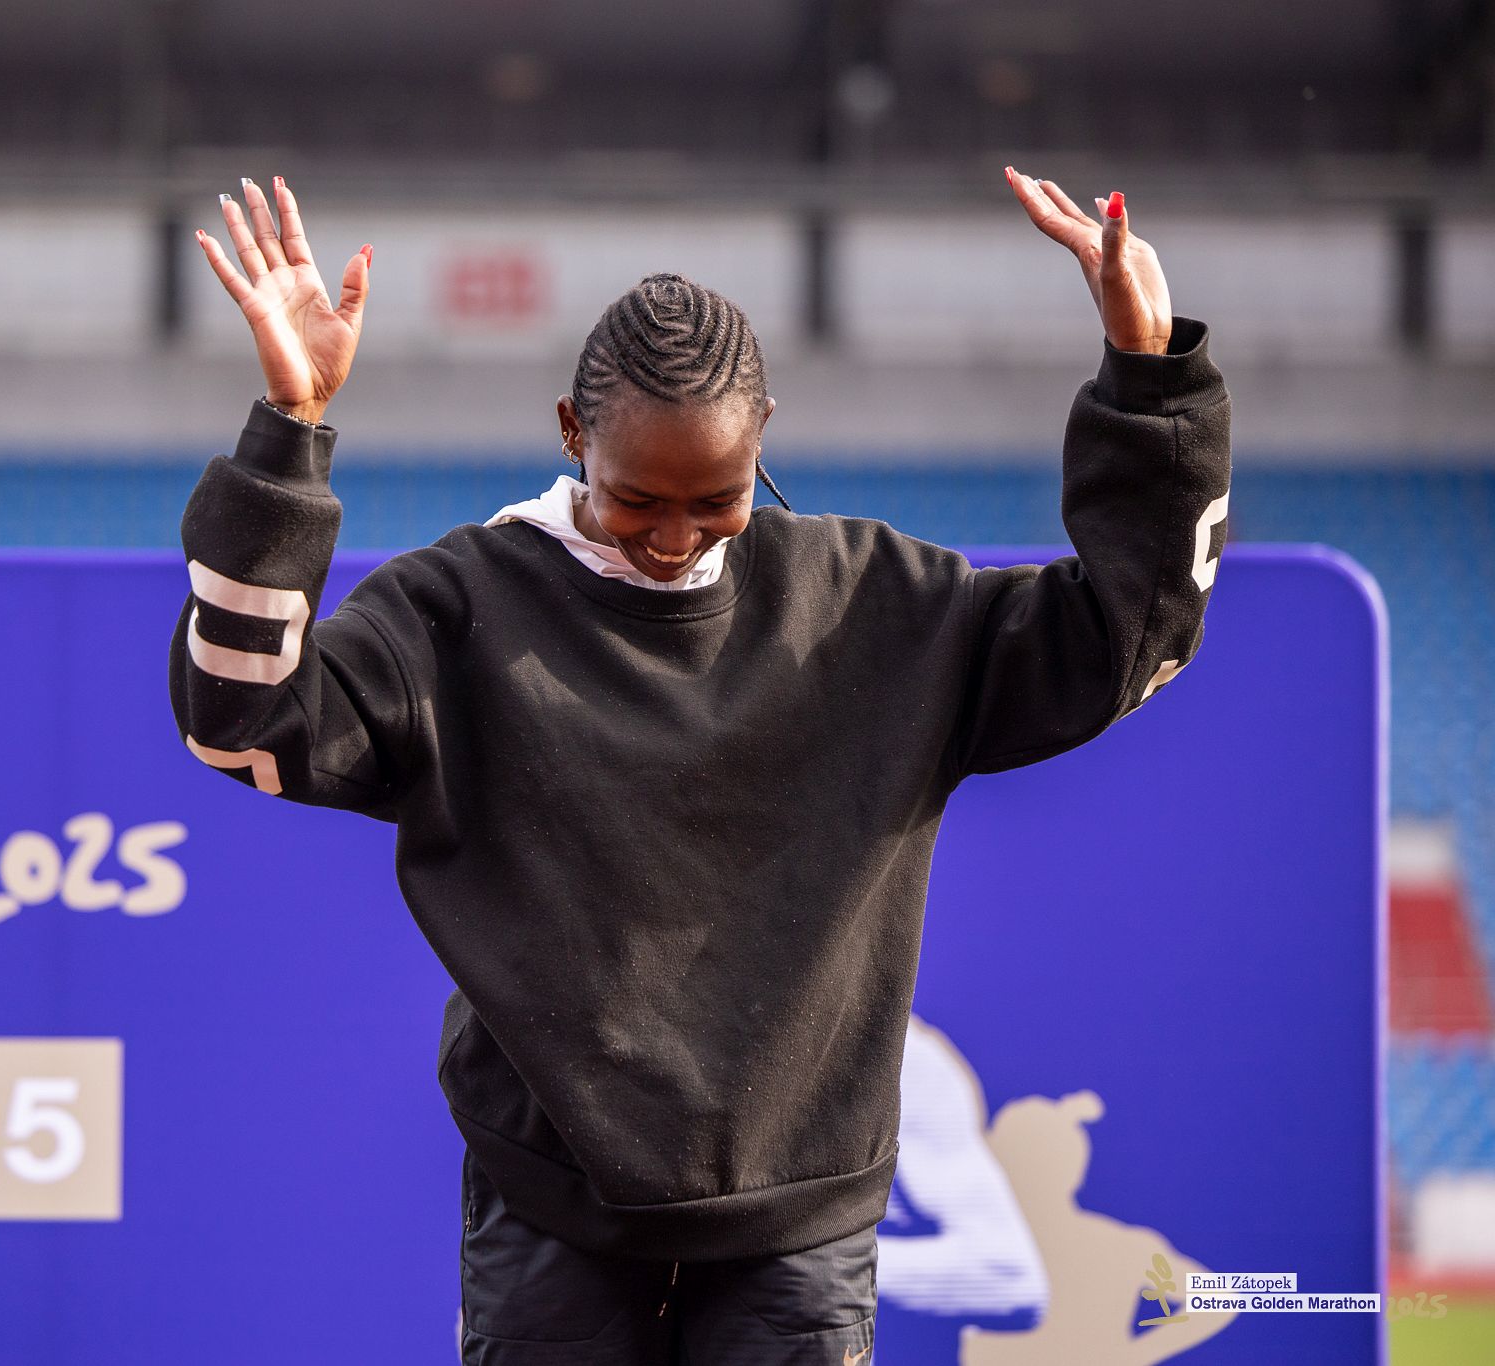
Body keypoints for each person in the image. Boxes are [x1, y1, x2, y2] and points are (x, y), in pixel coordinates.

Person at [170, 169, 1232, 1365]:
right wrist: (288, 430)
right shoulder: (456, 612)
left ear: (763, 433)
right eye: (636, 501)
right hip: (552, 1212)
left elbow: (1129, 640)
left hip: (800, 1229)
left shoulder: (872, 607)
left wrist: (1149, 382)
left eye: (715, 500)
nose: (672, 539)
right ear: (570, 433)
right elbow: (241, 723)